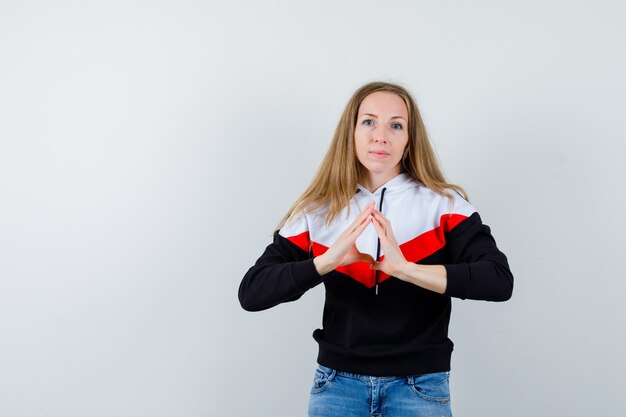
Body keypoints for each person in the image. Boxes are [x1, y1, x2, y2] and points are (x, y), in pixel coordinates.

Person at [238, 81, 514, 417]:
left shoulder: (445, 205)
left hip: (420, 387)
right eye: (369, 121)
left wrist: (405, 268)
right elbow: (252, 292)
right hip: (337, 386)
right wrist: (325, 262)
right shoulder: (317, 211)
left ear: (410, 140)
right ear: (351, 132)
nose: (380, 136)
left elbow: (499, 281)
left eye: (396, 125)